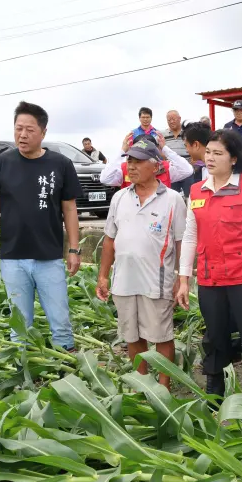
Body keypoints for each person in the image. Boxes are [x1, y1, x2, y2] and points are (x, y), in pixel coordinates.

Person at [176, 129, 242, 395]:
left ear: (233, 159)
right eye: (208, 152)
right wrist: (184, 279)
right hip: (210, 277)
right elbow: (190, 235)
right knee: (215, 336)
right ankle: (214, 393)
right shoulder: (196, 190)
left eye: (218, 153)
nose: (210, 158)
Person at [0, 102, 82, 352]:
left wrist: (74, 249)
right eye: (18, 129)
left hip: (49, 257)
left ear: (43, 132)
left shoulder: (61, 164)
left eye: (29, 130)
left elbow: (69, 209)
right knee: (19, 325)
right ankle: (22, 373)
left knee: (60, 322)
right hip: (12, 259)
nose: (22, 135)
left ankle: (66, 372)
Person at [96, 142, 186, 390]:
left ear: (156, 166)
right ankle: (143, 384)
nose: (131, 166)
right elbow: (109, 240)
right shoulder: (120, 198)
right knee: (132, 336)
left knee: (161, 336)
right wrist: (103, 276)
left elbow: (181, 242)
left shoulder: (173, 200)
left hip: (157, 282)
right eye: (130, 161)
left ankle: (164, 387)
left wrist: (181, 278)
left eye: (138, 161)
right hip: (124, 281)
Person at [100, 133, 193, 189]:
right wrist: (122, 151)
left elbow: (187, 170)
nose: (133, 166)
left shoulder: (165, 168)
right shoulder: (126, 168)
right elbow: (105, 178)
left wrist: (165, 148)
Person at [163, 110, 194, 198]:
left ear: (179, 119)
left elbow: (194, 147)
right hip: (172, 172)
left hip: (187, 170)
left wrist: (193, 161)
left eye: (173, 119)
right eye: (169, 120)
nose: (171, 121)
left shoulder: (188, 133)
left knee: (190, 197)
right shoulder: (163, 134)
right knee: (172, 197)